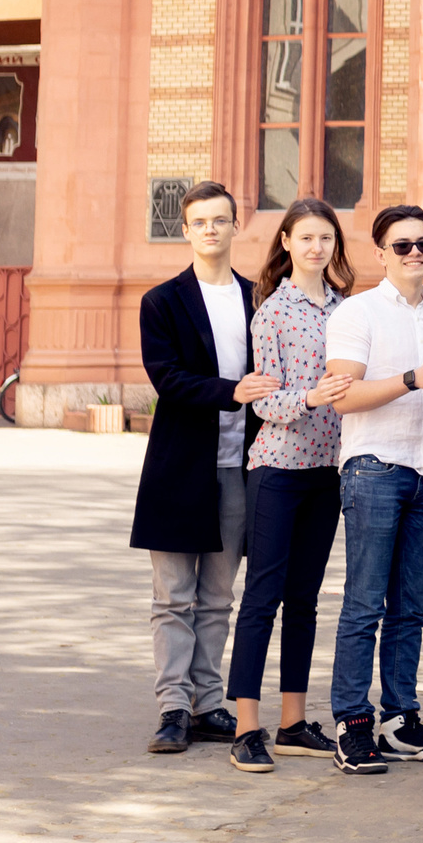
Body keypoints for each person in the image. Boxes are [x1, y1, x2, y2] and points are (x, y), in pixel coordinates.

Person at [310, 203, 423, 774]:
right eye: (402, 245)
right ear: (381, 253)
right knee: (365, 603)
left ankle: (401, 718)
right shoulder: (357, 313)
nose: (415, 253)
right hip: (374, 467)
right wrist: (412, 379)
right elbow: (343, 395)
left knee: (412, 608)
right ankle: (352, 721)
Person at [131, 181, 276, 756]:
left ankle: (208, 704)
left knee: (219, 597)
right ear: (186, 230)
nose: (211, 230)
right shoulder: (162, 301)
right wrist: (233, 391)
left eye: (220, 220)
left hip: (240, 468)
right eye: (200, 222)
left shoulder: (258, 298)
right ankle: (171, 708)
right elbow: (166, 378)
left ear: (236, 225)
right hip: (179, 467)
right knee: (172, 596)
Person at [225, 197, 355, 772]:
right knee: (262, 597)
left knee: (305, 602)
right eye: (305, 238)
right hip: (277, 470)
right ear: (286, 243)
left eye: (325, 238)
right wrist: (311, 396)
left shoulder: (348, 311)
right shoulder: (272, 313)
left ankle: (292, 723)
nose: (316, 247)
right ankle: (246, 726)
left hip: (328, 472)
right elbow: (265, 401)